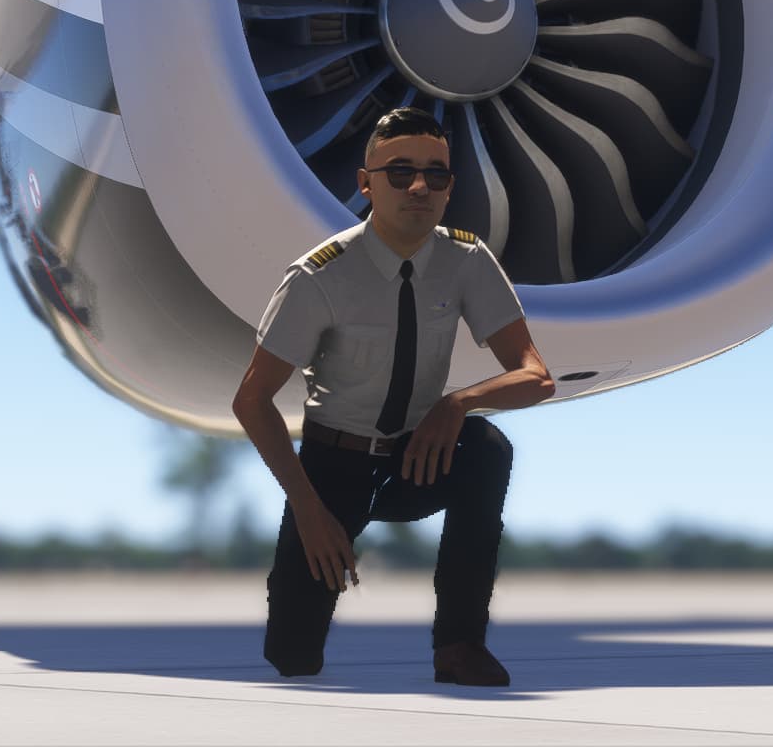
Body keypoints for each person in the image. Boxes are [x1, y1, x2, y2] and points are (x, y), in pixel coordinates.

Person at [231, 107, 554, 686]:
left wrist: (456, 405)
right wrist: (309, 511)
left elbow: (536, 375)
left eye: (437, 174)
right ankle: (304, 615)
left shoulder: (466, 261)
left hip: (417, 457)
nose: (419, 187)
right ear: (366, 183)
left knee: (486, 450)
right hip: (334, 468)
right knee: (293, 657)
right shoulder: (318, 276)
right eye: (400, 171)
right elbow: (252, 401)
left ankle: (459, 645)